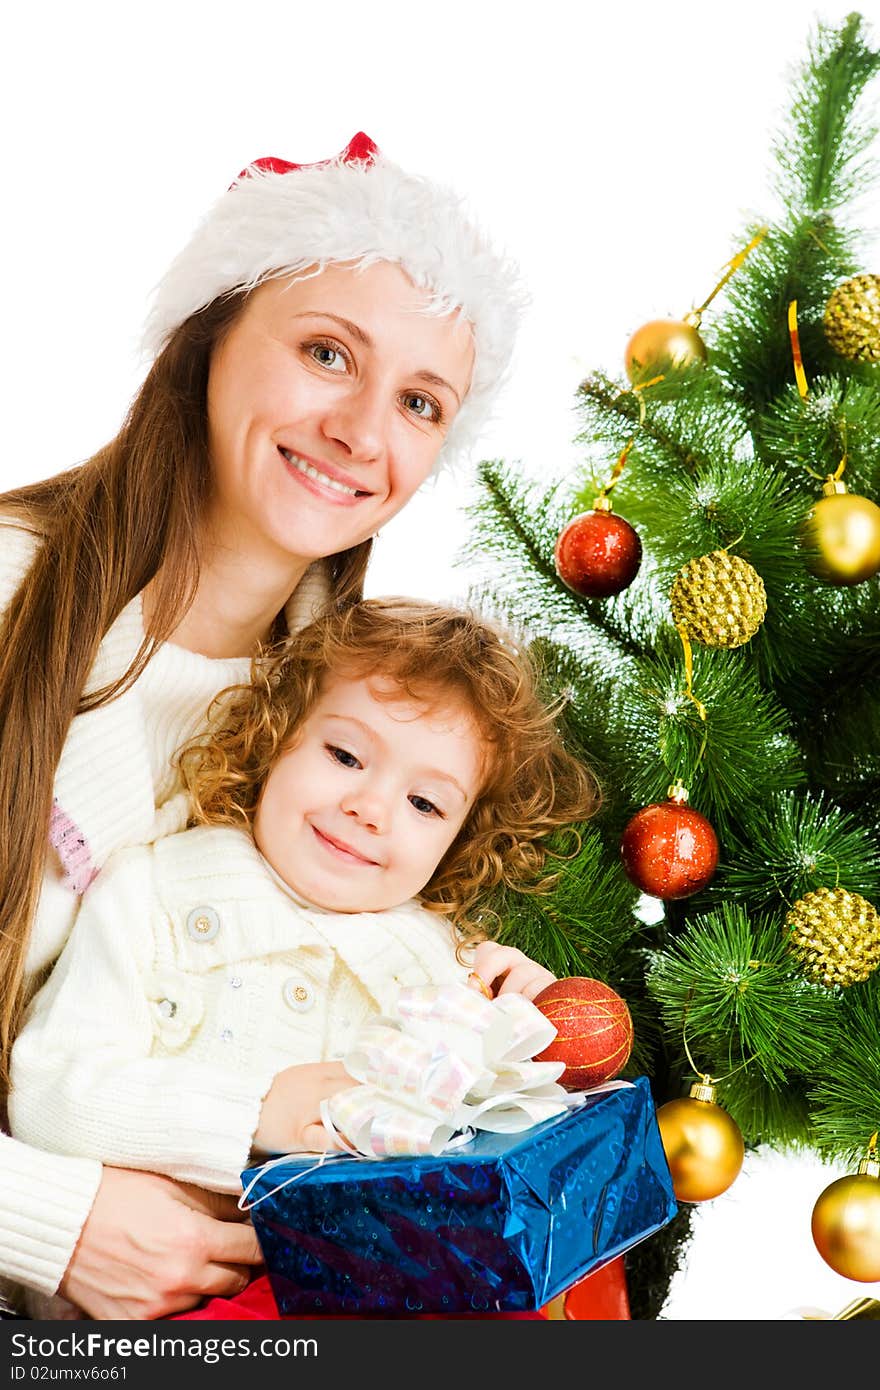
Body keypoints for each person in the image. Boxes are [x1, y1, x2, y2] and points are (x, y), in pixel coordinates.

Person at [0, 132, 525, 1319]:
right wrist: (45, 1218)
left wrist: (483, 1020)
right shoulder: (10, 598)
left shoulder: (344, 731)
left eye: (418, 402)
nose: (359, 429)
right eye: (327, 352)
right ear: (209, 338)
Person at [9, 597, 601, 1321]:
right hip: (136, 1306)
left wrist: (522, 1027)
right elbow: (47, 1097)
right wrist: (254, 1112)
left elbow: (475, 1153)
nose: (371, 807)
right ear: (277, 736)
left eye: (424, 804)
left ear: (461, 838)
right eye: (345, 756)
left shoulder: (437, 966)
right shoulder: (153, 892)